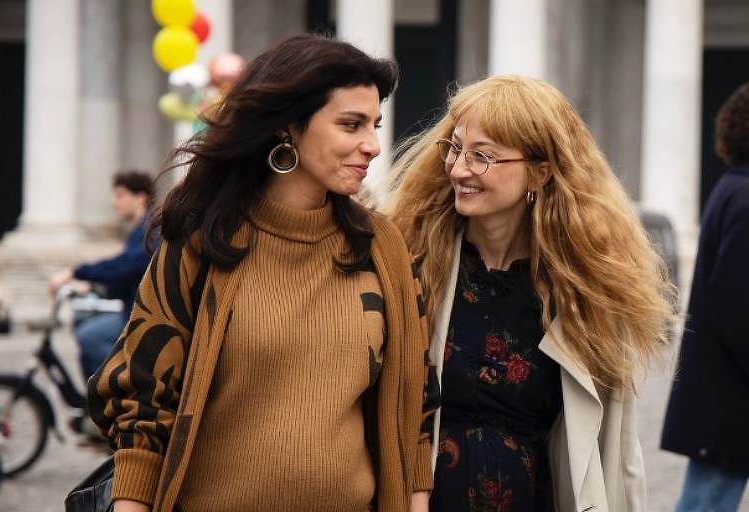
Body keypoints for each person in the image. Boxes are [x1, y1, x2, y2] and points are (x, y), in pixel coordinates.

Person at [86, 35, 434, 512]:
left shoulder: (382, 248)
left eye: (374, 125)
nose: (372, 146)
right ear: (289, 125)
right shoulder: (199, 241)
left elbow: (415, 407)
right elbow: (143, 400)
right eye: (351, 125)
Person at [387, 75, 676, 511]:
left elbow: (616, 451)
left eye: (483, 156)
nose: (460, 168)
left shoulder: (583, 291)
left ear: (540, 173)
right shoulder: (412, 259)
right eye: (456, 148)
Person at [661, 83, 749, 511]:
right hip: (730, 397)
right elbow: (738, 305)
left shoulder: (733, 188)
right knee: (707, 502)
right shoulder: (745, 196)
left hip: (721, 395)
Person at [49, 171, 154, 382]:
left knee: (89, 337)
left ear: (140, 197)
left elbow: (127, 266)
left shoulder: (150, 228)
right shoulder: (140, 229)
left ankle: (116, 393)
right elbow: (128, 276)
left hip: (141, 317)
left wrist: (76, 271)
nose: (114, 202)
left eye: (120, 195)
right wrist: (92, 287)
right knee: (85, 324)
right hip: (132, 309)